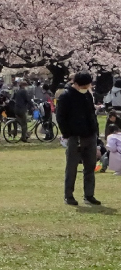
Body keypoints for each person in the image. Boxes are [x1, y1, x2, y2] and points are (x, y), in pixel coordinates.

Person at [56, 71, 100, 206]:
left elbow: (91, 114)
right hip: (75, 136)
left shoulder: (87, 95)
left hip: (90, 135)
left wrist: (95, 132)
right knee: (72, 167)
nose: (87, 88)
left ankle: (89, 194)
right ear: (76, 84)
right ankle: (68, 195)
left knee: (90, 166)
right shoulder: (66, 96)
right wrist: (67, 134)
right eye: (85, 85)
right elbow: (61, 117)